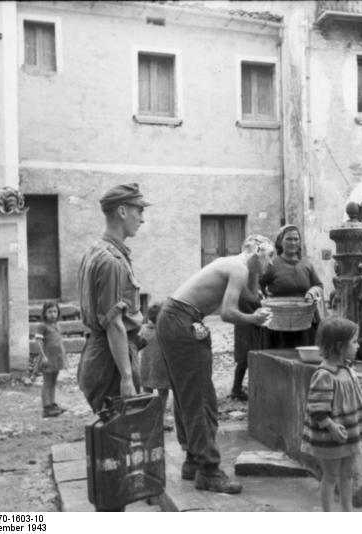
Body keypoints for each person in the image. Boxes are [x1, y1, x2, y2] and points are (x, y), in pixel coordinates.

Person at [157, 234, 274, 494]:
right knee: (201, 397)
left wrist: (257, 271)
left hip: (173, 316)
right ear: (257, 253)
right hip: (182, 319)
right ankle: (208, 470)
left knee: (186, 394)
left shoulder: (236, 265)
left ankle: (192, 460)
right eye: (269, 256)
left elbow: (253, 296)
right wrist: (254, 320)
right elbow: (227, 313)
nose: (271, 263)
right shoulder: (239, 268)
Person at [77, 183, 149, 414]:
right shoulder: (111, 261)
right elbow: (115, 325)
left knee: (112, 435)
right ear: (122, 211)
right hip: (111, 362)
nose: (142, 219)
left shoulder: (95, 250)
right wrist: (127, 377)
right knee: (121, 435)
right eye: (139, 211)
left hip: (98, 352)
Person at [300, 317, 362, 512]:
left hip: (348, 435)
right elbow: (316, 409)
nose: (357, 345)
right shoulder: (324, 375)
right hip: (330, 436)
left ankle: (347, 511)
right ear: (340, 346)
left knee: (348, 474)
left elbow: (357, 403)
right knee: (331, 476)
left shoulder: (347, 371)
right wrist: (331, 426)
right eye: (354, 341)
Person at [260, 224, 323, 348]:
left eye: (296, 239)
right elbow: (259, 285)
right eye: (289, 239)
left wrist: (312, 291)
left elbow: (319, 285)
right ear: (280, 242)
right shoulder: (272, 264)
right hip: (279, 322)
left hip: (304, 319)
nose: (293, 242)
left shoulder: (306, 264)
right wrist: (265, 298)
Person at [231, 271, 268, 401]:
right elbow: (250, 308)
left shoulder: (254, 289)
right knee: (244, 360)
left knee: (250, 359)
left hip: (253, 328)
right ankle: (237, 390)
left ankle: (246, 388)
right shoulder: (243, 291)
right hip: (246, 328)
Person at [138, 303, 174, 431]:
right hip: (161, 369)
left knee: (146, 394)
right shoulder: (165, 330)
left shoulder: (143, 330)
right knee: (162, 396)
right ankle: (159, 421)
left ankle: (145, 420)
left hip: (146, 368)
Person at [34, 301, 66, 418]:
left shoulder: (57, 325)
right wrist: (43, 356)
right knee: (47, 382)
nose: (53, 314)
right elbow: (39, 342)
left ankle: (52, 404)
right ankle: (46, 408)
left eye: (55, 311)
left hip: (56, 358)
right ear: (44, 313)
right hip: (47, 358)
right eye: (50, 312)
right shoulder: (42, 326)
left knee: (53, 382)